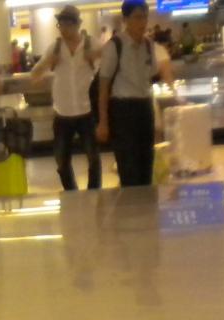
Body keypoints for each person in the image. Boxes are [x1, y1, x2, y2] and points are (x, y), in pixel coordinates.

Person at [96, 0, 175, 188]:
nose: (142, 22)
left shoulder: (148, 45)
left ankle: (146, 205)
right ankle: (131, 205)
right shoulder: (115, 46)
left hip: (144, 108)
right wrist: (103, 122)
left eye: (145, 17)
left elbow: (153, 74)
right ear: (126, 20)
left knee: (146, 164)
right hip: (123, 111)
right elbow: (103, 86)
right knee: (129, 168)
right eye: (137, 17)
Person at [31, 5, 102, 191]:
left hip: (87, 110)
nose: (63, 29)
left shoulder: (91, 44)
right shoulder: (54, 48)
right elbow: (35, 74)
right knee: (61, 161)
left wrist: (95, 55)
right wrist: (49, 63)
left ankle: (94, 192)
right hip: (62, 113)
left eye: (67, 25)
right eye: (60, 25)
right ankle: (71, 192)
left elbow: (111, 56)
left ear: (77, 25)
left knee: (93, 158)